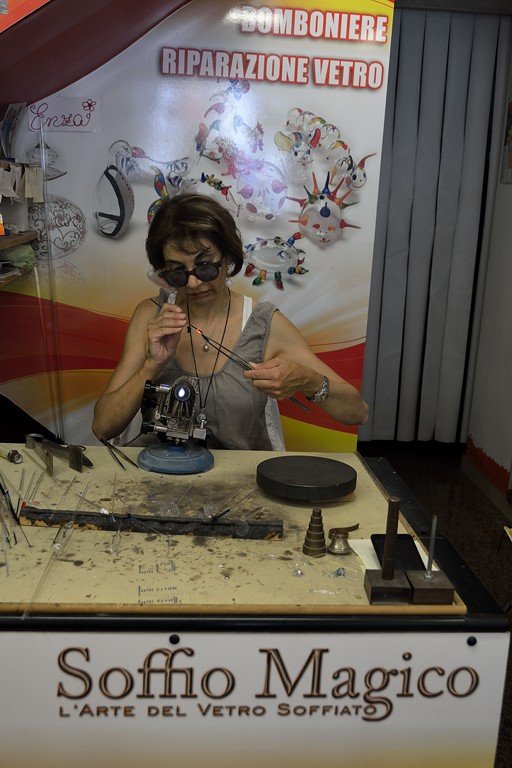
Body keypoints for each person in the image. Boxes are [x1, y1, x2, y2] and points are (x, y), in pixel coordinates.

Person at [92, 193, 368, 449]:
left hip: (238, 481)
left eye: (205, 266)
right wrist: (151, 366)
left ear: (227, 257)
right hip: (159, 474)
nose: (193, 283)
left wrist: (308, 380)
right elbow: (103, 427)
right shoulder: (152, 316)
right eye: (177, 272)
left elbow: (357, 411)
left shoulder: (264, 325)